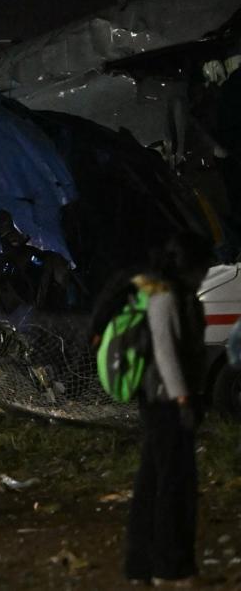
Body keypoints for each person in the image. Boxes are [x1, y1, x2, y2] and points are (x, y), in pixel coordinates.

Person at [124, 235, 212, 586]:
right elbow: (166, 353)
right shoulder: (165, 296)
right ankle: (170, 567)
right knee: (174, 484)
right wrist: (184, 400)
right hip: (166, 403)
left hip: (161, 401)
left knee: (152, 481)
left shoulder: (165, 293)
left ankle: (141, 565)